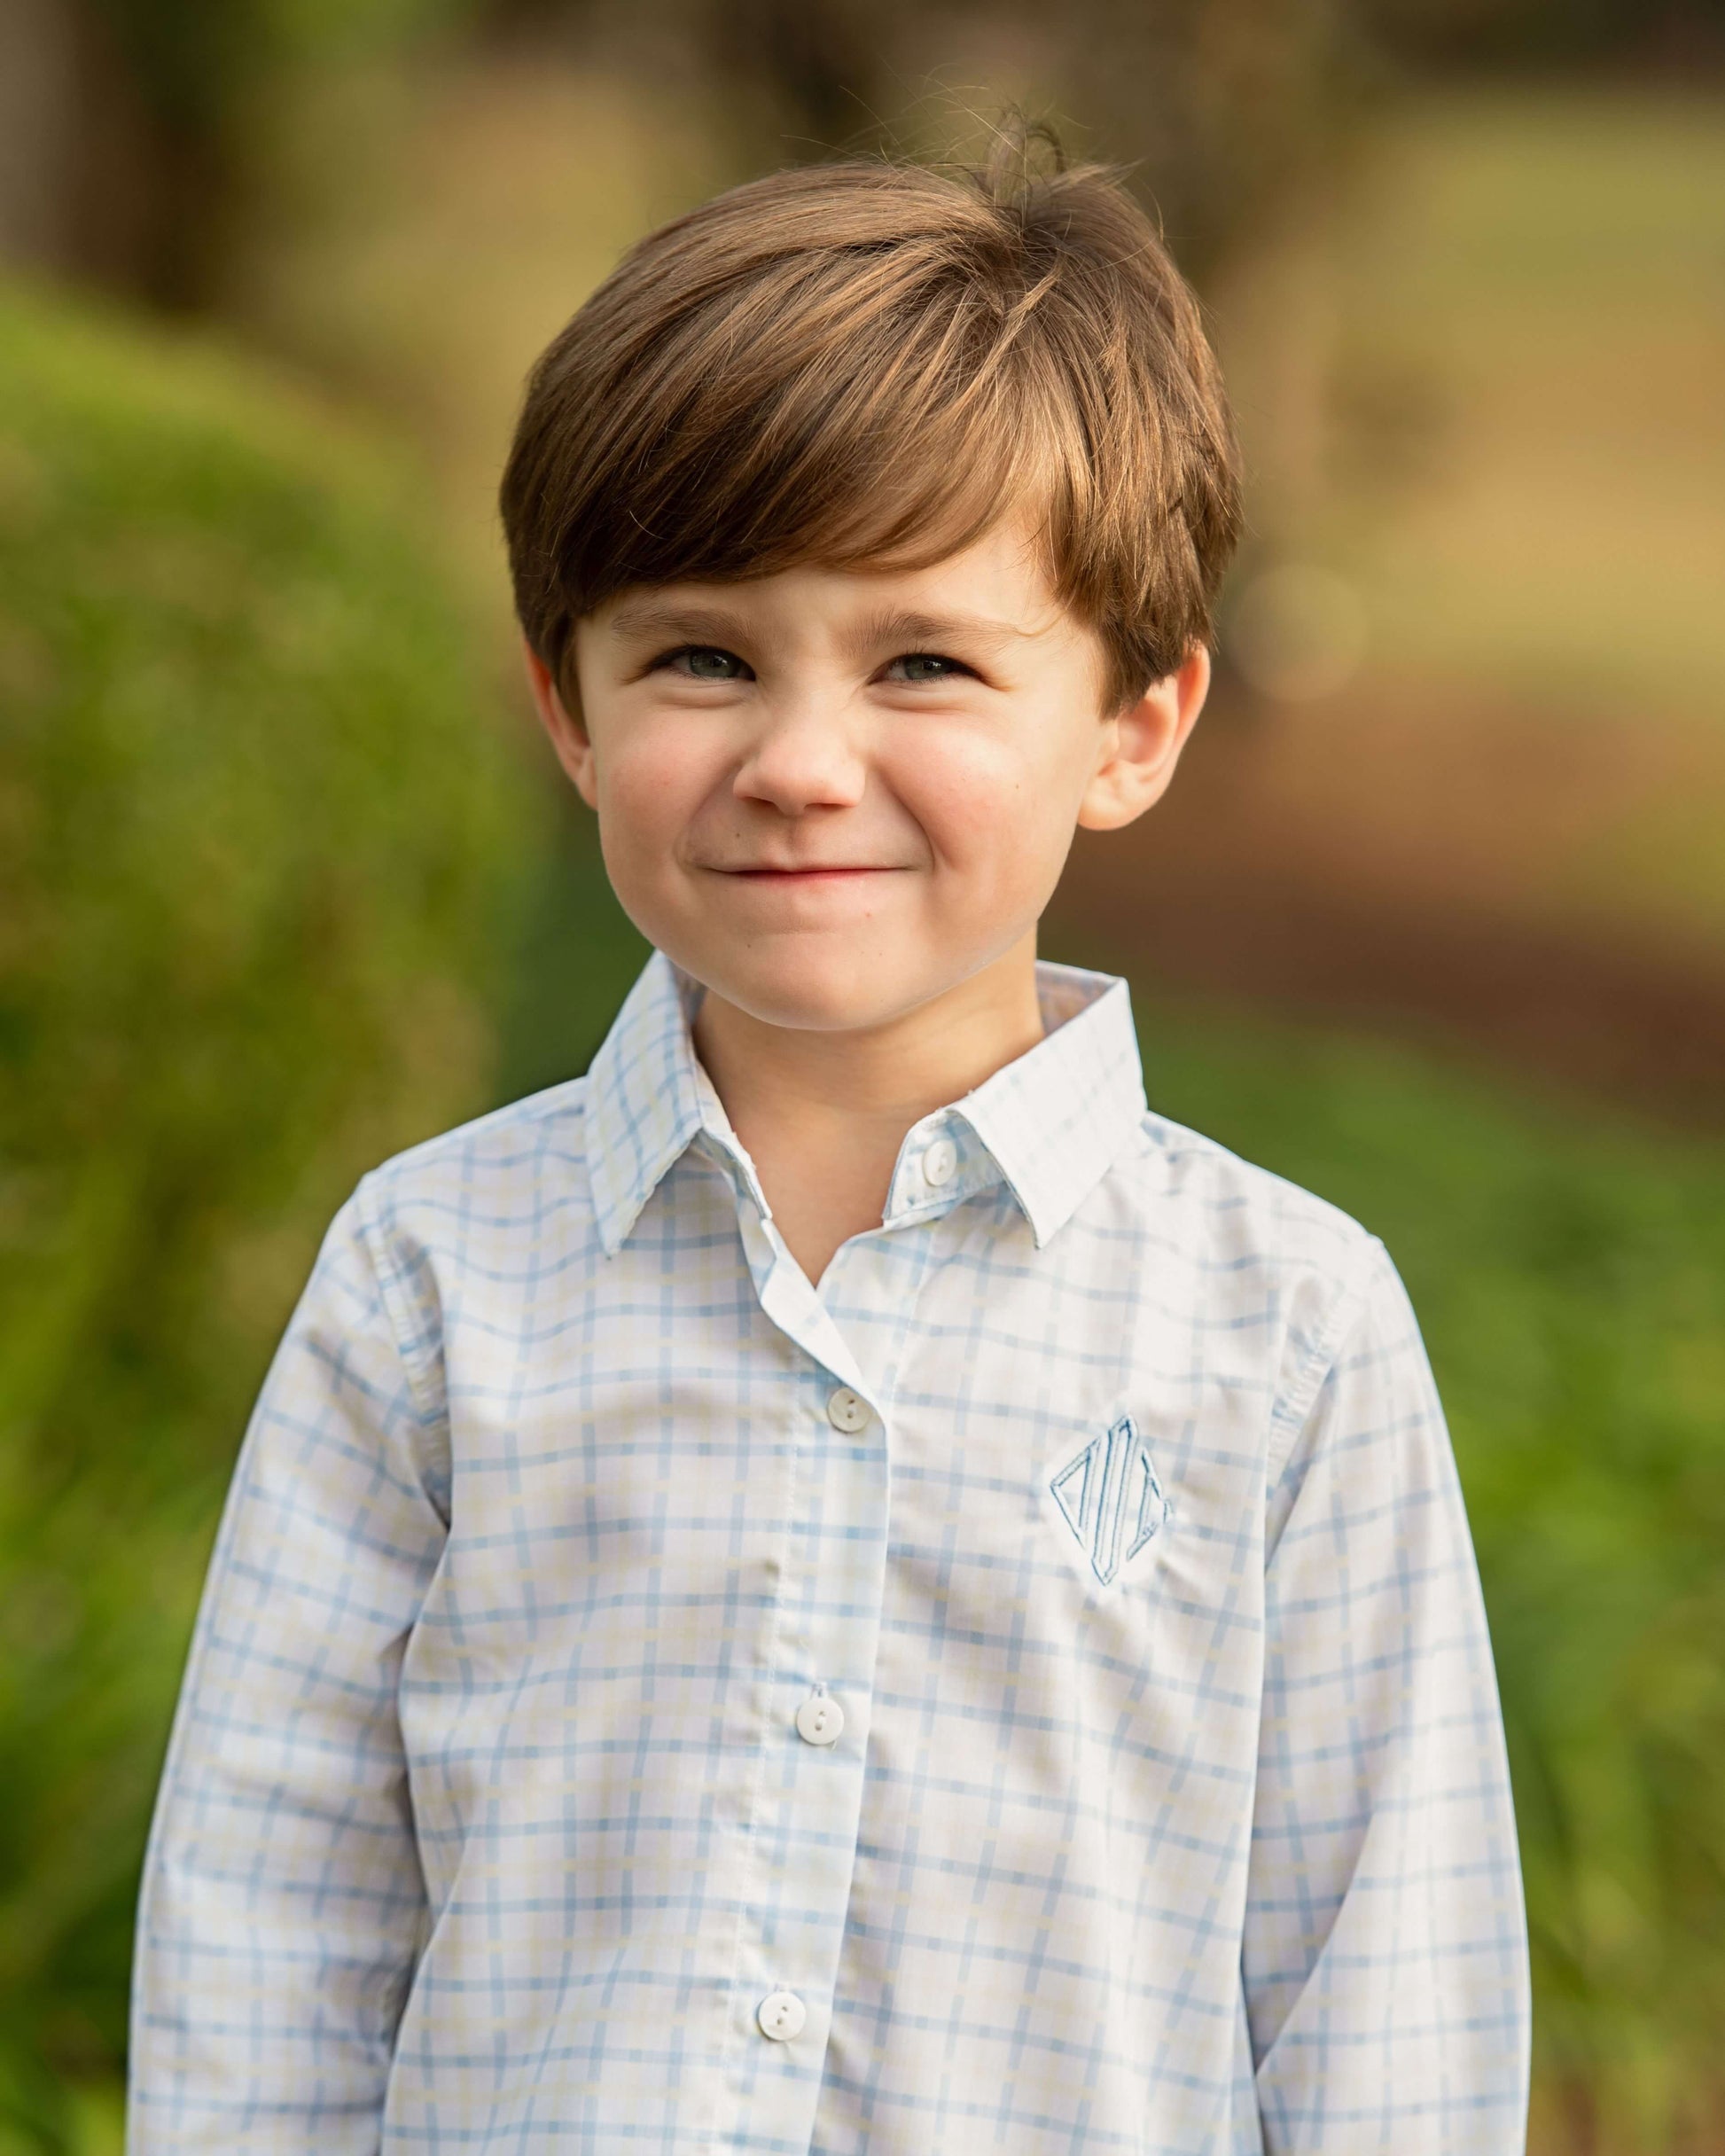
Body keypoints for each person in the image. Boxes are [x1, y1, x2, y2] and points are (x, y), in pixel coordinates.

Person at [128, 129, 1530, 2153]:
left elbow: (1382, 1995)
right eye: (701, 654)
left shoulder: (1287, 1331)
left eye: (925, 664)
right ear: (567, 706)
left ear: (1134, 724)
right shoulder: (429, 1279)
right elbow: (270, 1931)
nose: (798, 763)